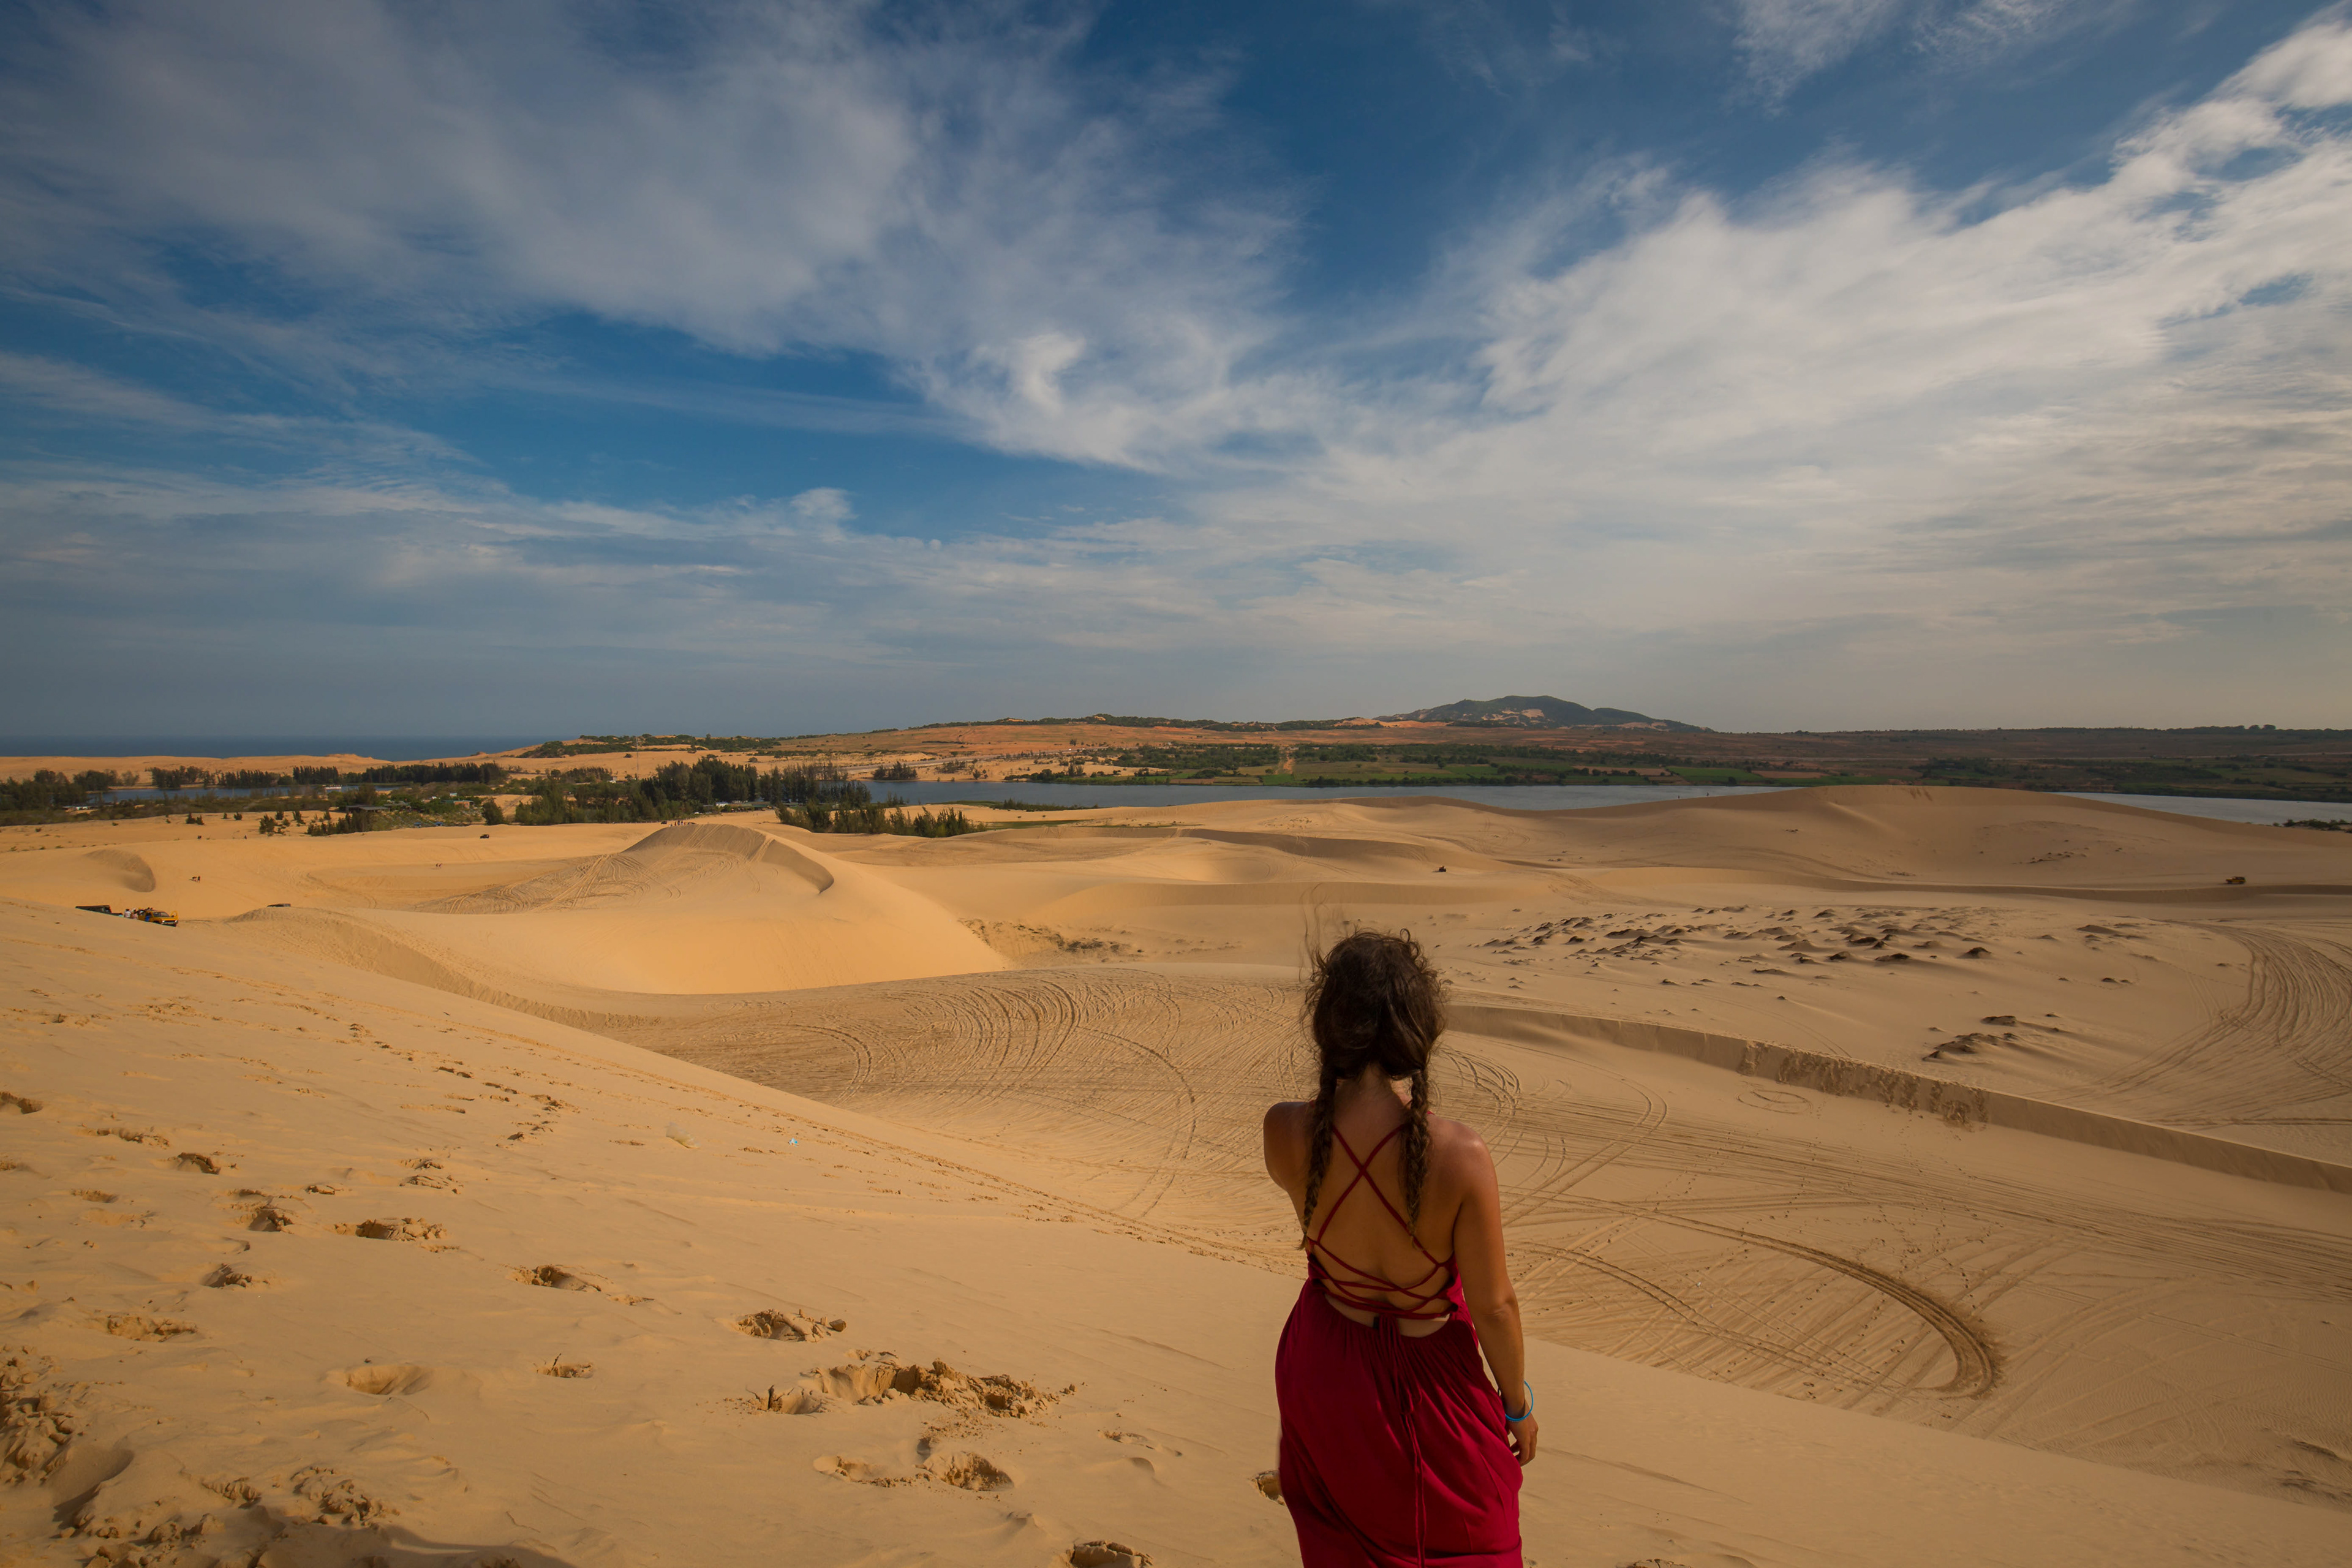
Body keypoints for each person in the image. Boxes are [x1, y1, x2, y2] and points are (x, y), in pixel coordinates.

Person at [1264, 929, 1533, 1567]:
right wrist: (1519, 1406)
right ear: (1416, 1032)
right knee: (1478, 1544)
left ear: (1329, 1025)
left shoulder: (1284, 1129)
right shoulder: (1460, 1156)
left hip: (1324, 1368)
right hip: (1429, 1385)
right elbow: (1495, 1307)